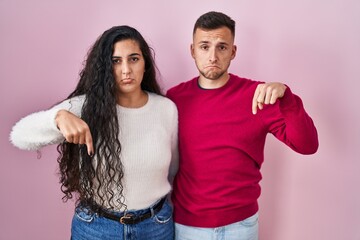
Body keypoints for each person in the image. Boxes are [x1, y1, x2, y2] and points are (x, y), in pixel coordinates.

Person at [10, 25, 178, 240]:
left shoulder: (165, 109)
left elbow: (173, 168)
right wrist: (57, 118)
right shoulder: (84, 107)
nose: (126, 69)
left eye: (134, 59)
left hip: (155, 227)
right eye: (116, 61)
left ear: (145, 63)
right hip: (96, 228)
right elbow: (19, 135)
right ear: (104, 67)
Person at [166, 11, 319, 240]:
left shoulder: (257, 96)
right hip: (188, 227)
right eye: (205, 46)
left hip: (241, 227)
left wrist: (287, 98)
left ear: (233, 51)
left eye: (222, 47)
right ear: (193, 50)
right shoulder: (175, 98)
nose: (213, 56)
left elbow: (307, 144)